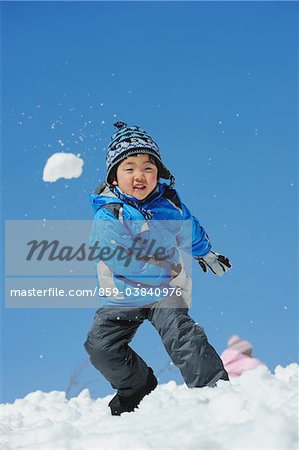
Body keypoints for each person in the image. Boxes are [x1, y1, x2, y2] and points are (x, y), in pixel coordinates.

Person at [84, 121, 232, 416]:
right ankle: (136, 384)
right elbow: (118, 258)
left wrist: (206, 254)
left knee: (183, 334)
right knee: (101, 348)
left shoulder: (168, 205)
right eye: (129, 168)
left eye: (148, 168)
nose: (139, 175)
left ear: (158, 173)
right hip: (123, 293)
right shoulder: (109, 215)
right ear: (114, 178)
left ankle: (214, 392)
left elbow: (189, 231)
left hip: (164, 290)